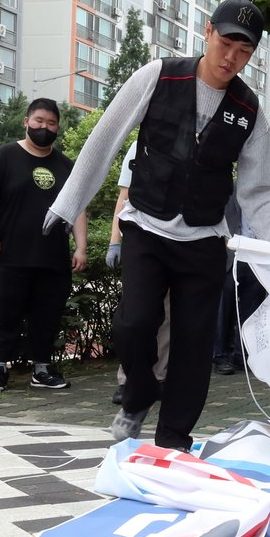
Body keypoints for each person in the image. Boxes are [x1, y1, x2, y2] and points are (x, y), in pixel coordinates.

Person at [42, 0, 270, 451]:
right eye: (225, 43)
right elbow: (104, 139)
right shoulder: (159, 75)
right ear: (207, 32)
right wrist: (66, 207)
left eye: (244, 52)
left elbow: (258, 193)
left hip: (204, 240)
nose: (231, 58)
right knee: (134, 323)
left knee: (192, 349)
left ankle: (173, 440)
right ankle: (140, 391)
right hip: (147, 226)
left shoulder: (249, 111)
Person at [0, 98, 87, 392]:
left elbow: (78, 208)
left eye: (51, 123)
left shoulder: (66, 166)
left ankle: (42, 369)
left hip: (52, 257)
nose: (45, 128)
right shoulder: (4, 157)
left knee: (47, 315)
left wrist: (80, 247)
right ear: (26, 122)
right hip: (10, 254)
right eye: (39, 121)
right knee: (6, 313)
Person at [108, 140, 170, 403]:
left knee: (167, 316)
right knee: (133, 317)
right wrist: (115, 240)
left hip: (179, 242)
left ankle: (158, 378)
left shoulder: (200, 140)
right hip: (141, 242)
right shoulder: (141, 143)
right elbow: (125, 196)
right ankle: (129, 377)